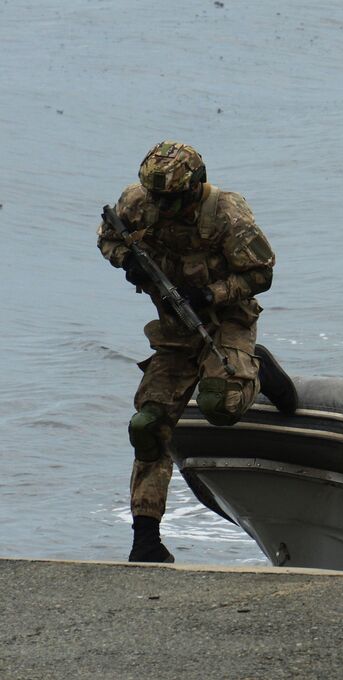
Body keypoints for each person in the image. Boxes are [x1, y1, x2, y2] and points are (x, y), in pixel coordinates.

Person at [98, 141, 296, 563]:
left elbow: (261, 273)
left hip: (227, 320)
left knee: (219, 406)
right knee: (147, 423)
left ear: (193, 186)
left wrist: (210, 292)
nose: (162, 207)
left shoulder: (227, 215)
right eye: (157, 198)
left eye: (171, 199)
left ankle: (260, 370)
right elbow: (109, 237)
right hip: (174, 330)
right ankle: (146, 540)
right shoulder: (138, 203)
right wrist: (126, 261)